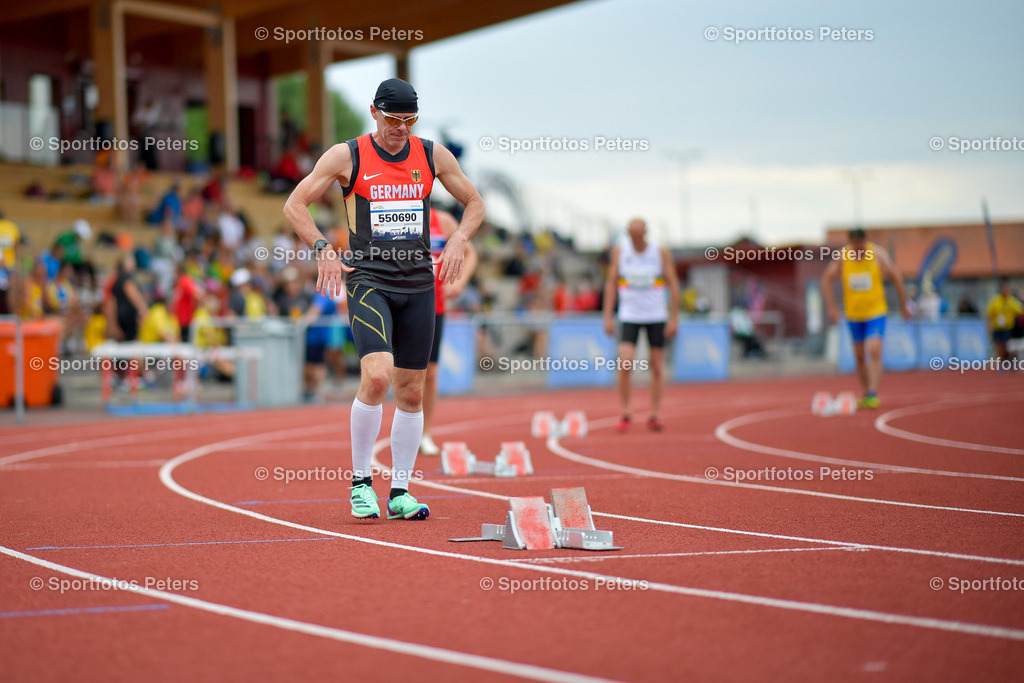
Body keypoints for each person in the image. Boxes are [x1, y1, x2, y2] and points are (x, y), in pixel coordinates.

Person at [284, 77, 483, 521]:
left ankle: (400, 491)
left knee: (411, 391)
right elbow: (295, 205)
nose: (401, 129)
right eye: (394, 120)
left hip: (417, 284)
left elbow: (474, 202)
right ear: (375, 112)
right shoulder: (346, 155)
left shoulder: (431, 154)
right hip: (369, 279)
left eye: (409, 120)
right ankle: (359, 484)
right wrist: (322, 249)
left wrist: (458, 241)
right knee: (377, 377)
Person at [602, 218, 680, 432]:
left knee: (656, 364)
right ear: (628, 234)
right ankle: (626, 411)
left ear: (645, 233)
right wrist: (607, 315)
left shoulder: (659, 252)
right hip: (629, 314)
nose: (636, 239)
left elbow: (673, 284)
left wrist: (675, 317)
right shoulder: (621, 251)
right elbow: (611, 282)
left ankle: (654, 413)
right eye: (632, 235)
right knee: (625, 363)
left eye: (639, 235)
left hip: (656, 314)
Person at [822, 228, 911, 409]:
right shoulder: (842, 257)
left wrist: (904, 304)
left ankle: (872, 392)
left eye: (861, 245)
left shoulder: (877, 254)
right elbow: (825, 279)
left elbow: (896, 276)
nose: (858, 250)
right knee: (860, 357)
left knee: (874, 349)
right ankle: (867, 394)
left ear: (865, 241)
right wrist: (831, 306)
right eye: (855, 246)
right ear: (850, 243)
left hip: (875, 312)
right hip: (854, 314)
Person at [419, 208, 478, 455]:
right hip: (399, 305)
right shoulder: (393, 212)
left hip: (434, 307)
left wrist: (460, 283)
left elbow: (471, 253)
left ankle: (425, 433)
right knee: (397, 372)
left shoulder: (441, 221)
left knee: (430, 373)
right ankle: (403, 429)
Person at [986, 279, 1023, 363]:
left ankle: (1010, 360)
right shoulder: (995, 301)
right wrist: (988, 327)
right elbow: (989, 315)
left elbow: (1020, 311)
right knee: (998, 346)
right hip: (997, 328)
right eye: (1004, 290)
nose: (1006, 291)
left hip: (1007, 328)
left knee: (1007, 346)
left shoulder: (1012, 301)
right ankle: (1001, 362)